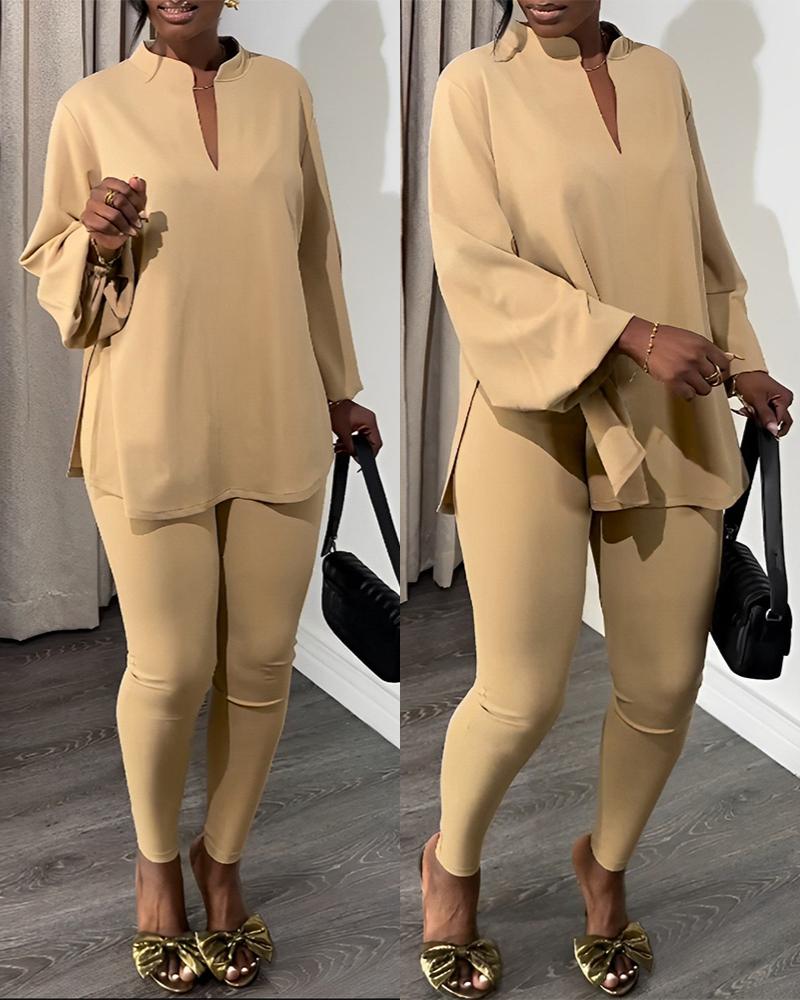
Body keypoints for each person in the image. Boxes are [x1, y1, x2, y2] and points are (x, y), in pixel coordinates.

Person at [420, 1, 793, 997]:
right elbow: (471, 265)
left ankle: (605, 864)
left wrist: (744, 360)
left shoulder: (658, 77)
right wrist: (631, 333)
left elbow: (702, 246)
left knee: (664, 685)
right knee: (520, 693)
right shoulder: (473, 86)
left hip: (668, 407)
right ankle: (450, 865)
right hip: (526, 415)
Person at [18, 0, 382, 991]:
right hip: (151, 413)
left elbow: (314, 252)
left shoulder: (285, 93)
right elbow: (54, 271)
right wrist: (97, 240)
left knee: (260, 660)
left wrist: (339, 386)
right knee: (172, 666)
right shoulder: (92, 104)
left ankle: (221, 862)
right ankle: (154, 866)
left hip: (278, 405)